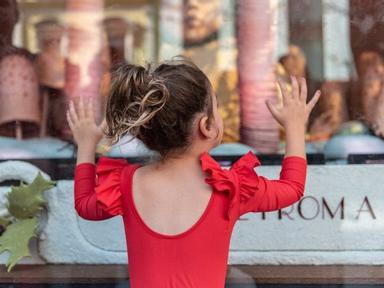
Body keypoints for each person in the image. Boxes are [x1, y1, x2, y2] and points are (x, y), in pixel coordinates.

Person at [68, 58, 320, 288]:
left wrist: (87, 145)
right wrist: (295, 127)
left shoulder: (126, 184)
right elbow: (292, 188)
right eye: (217, 108)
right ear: (207, 126)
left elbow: (84, 205)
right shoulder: (229, 188)